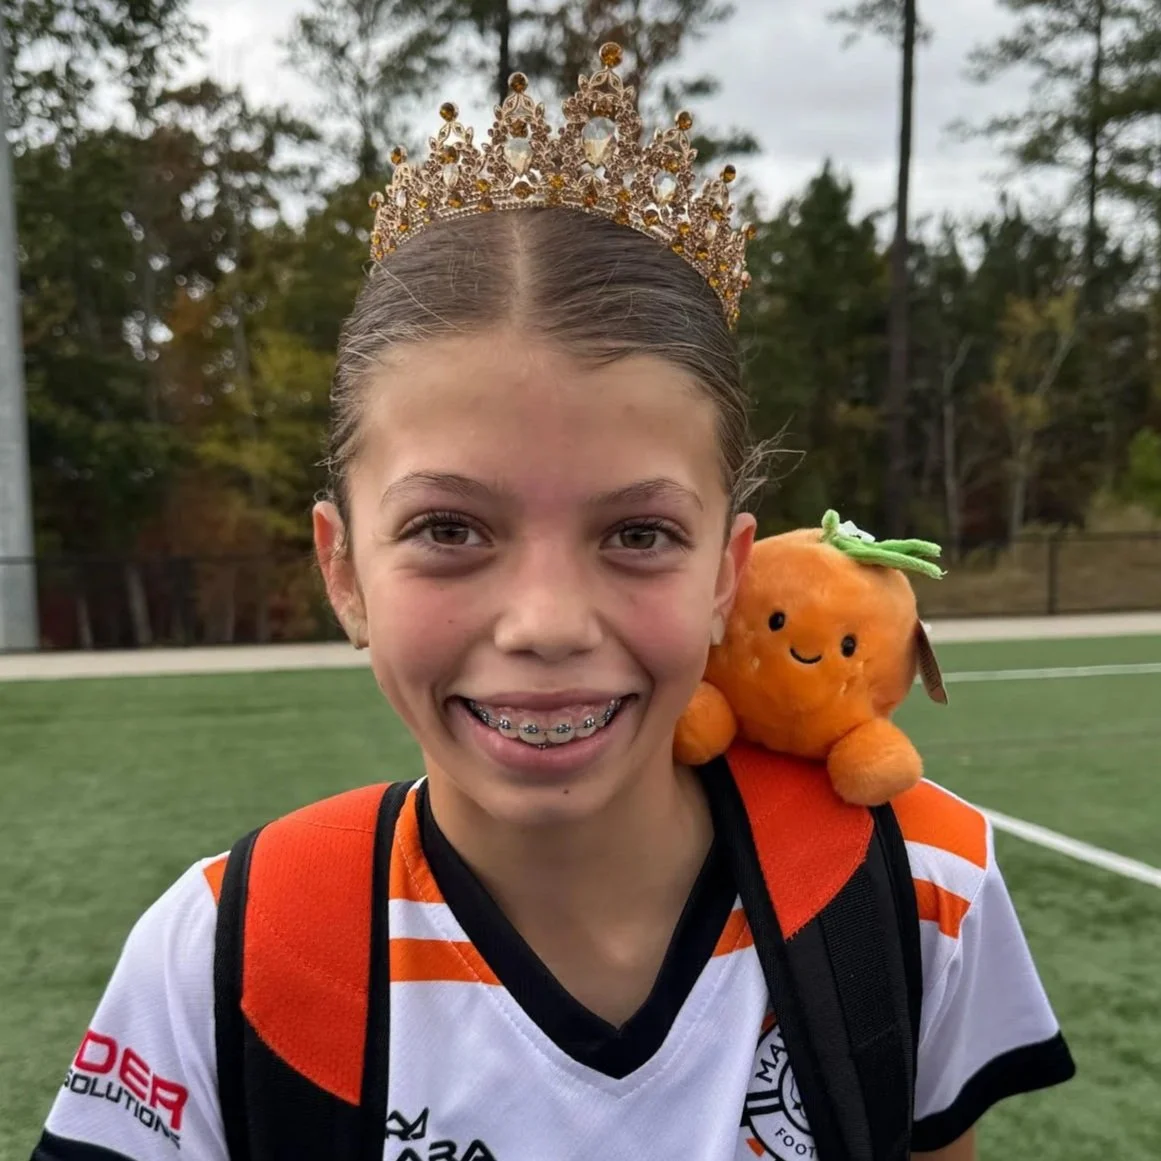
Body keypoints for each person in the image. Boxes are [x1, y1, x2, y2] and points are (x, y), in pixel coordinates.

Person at [31, 42, 1074, 1161]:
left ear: (727, 575)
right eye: (448, 530)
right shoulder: (227, 955)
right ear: (343, 571)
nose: (545, 623)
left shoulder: (909, 885)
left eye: (638, 534)